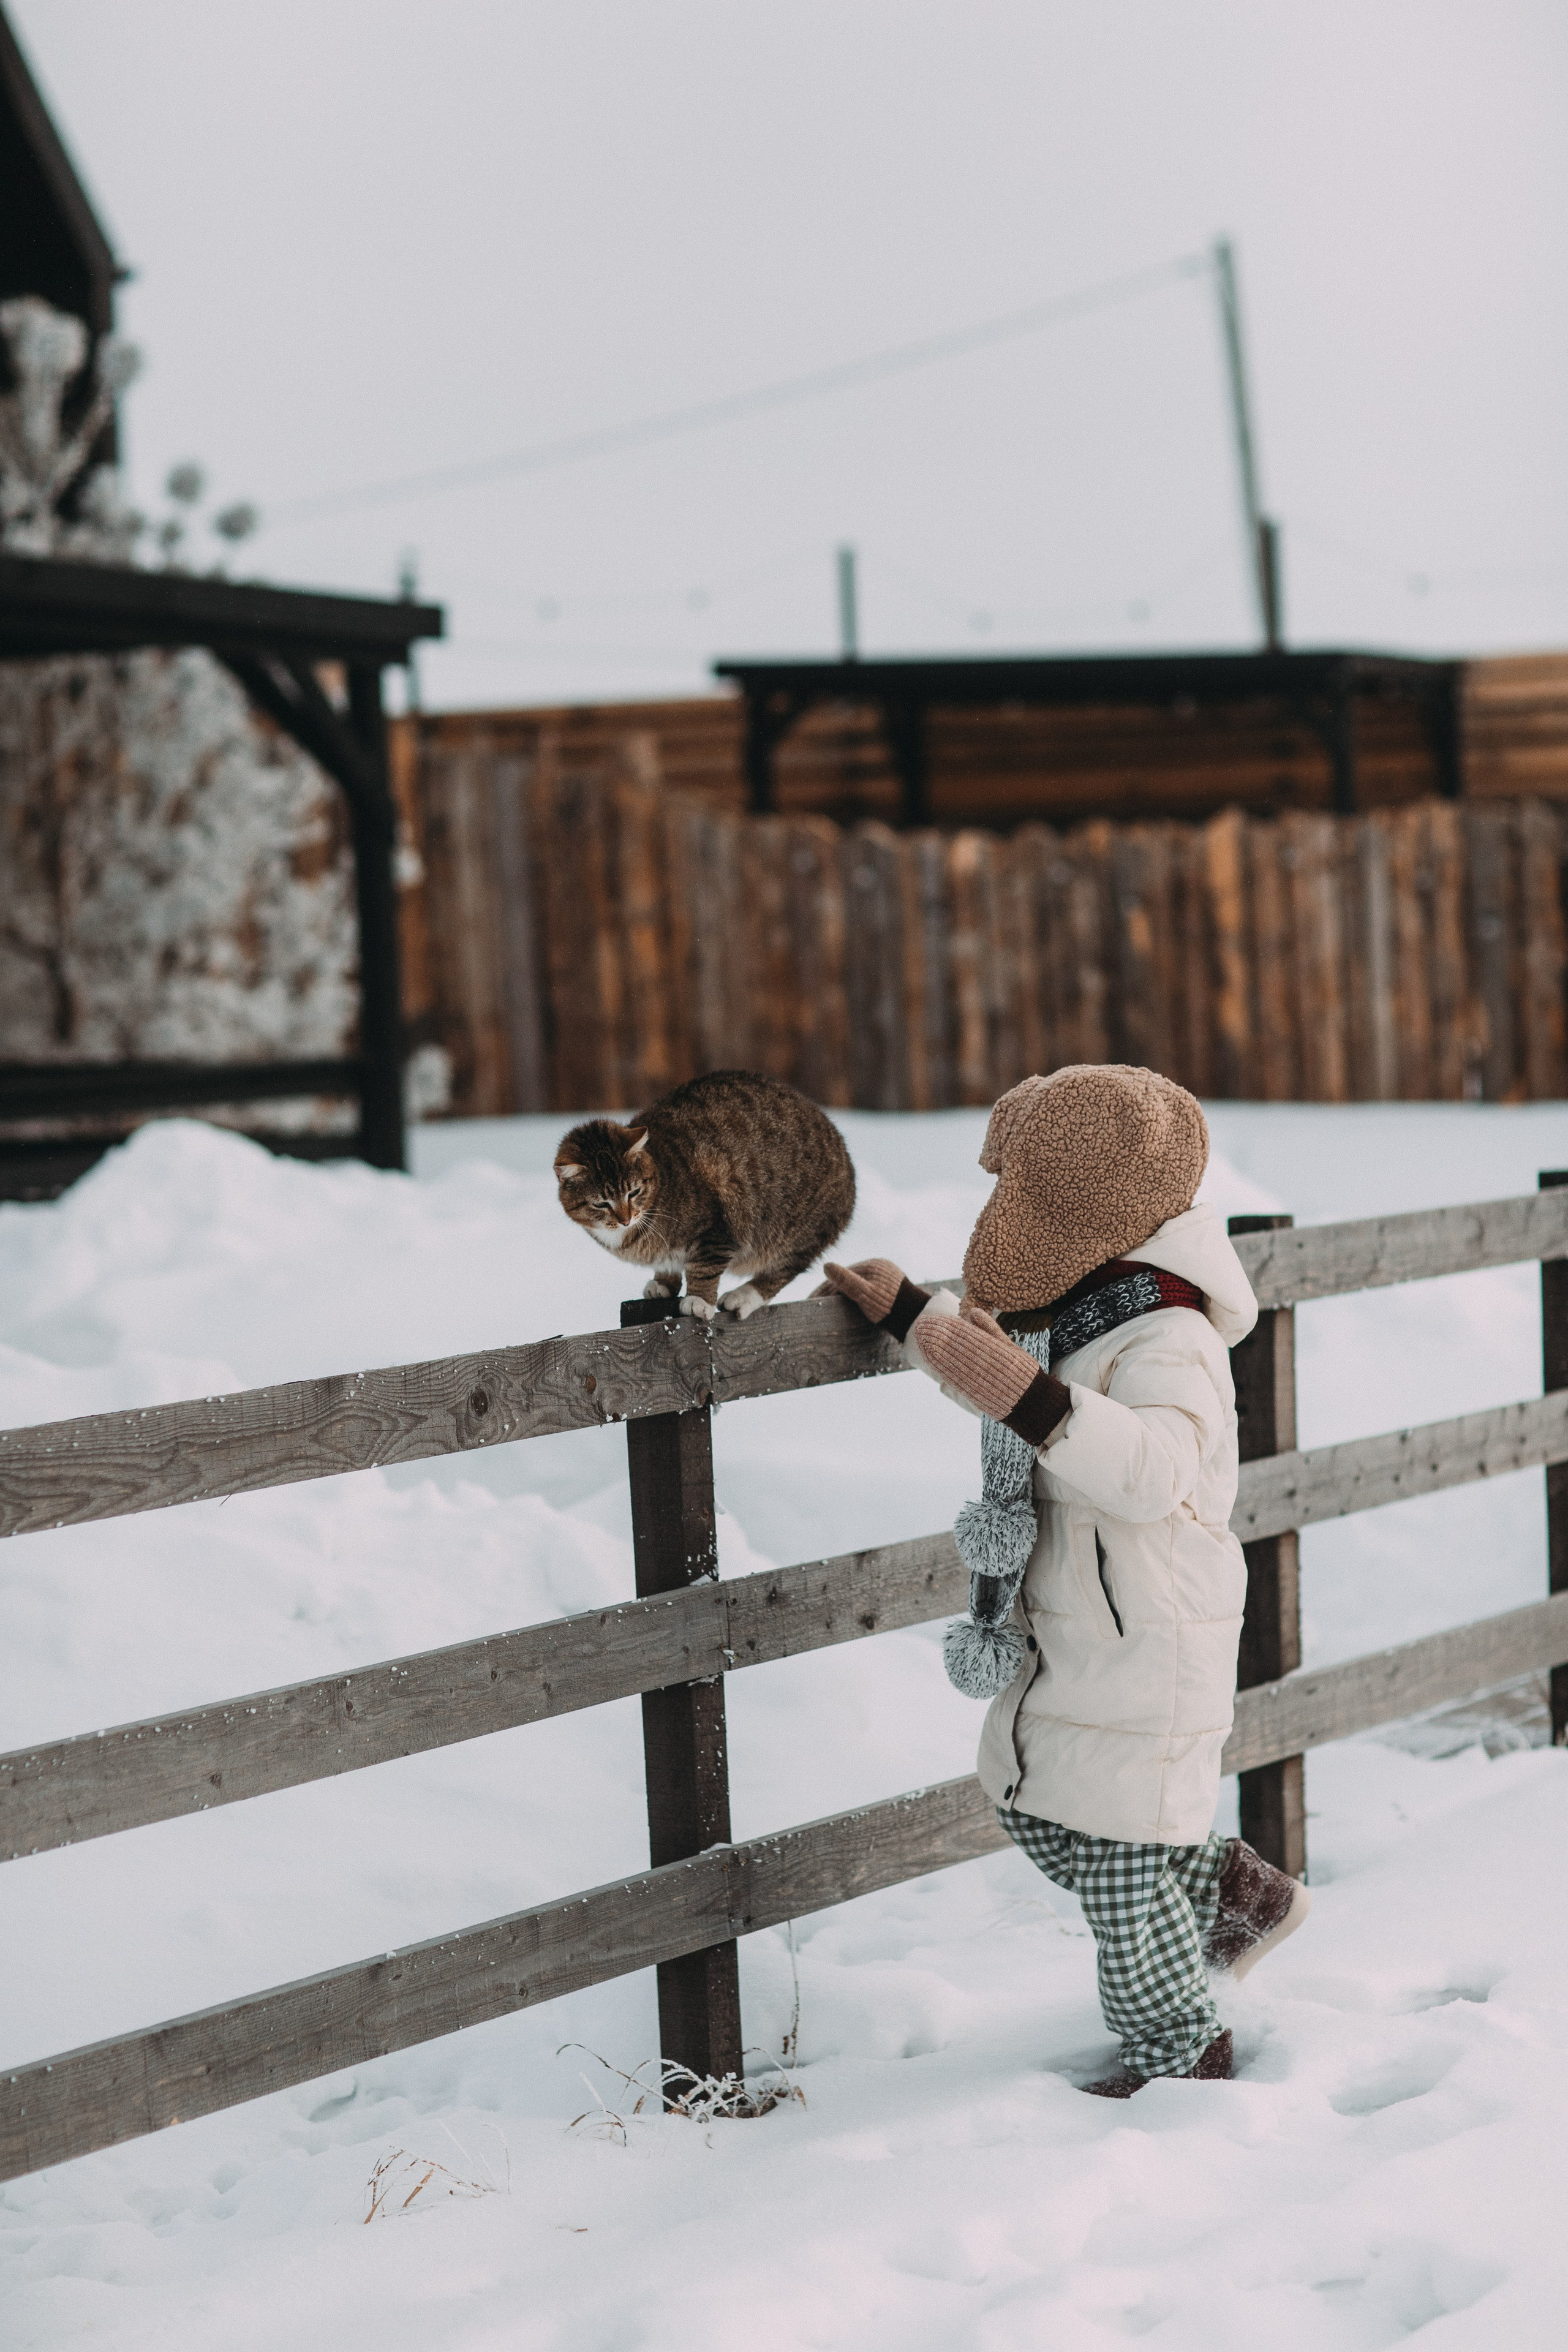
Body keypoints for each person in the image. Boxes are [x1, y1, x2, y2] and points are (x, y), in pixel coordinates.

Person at [821, 1064, 1310, 2097]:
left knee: (1123, 1880)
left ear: (1099, 1215)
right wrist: (916, 1318)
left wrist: (1025, 1393)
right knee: (1038, 1803)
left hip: (1152, 1635)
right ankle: (1235, 1892)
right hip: (1088, 1630)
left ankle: (1181, 2057)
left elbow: (1150, 1471)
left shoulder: (1170, 1333)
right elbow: (1012, 1385)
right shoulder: (1088, 1310)